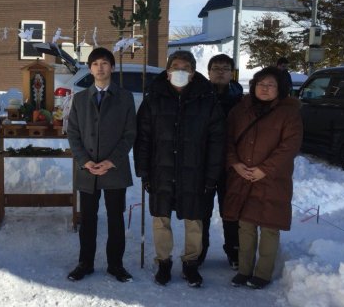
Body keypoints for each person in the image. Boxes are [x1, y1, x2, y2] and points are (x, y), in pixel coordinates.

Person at [134, 50, 226, 287]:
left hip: (195, 170)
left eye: (185, 67)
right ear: (167, 72)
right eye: (175, 66)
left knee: (194, 219)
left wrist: (211, 176)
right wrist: (143, 171)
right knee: (160, 219)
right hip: (160, 169)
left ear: (193, 73)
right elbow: (142, 137)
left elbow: (217, 141)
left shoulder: (206, 99)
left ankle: (191, 263)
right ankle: (163, 262)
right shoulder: (154, 97)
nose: (180, 71)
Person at [223, 66, 303, 289]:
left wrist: (265, 169)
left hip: (272, 180)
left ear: (280, 89)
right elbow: (227, 140)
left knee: (269, 227)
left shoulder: (289, 113)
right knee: (245, 226)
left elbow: (289, 147)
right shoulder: (240, 110)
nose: (265, 89)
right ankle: (244, 270)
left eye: (271, 85)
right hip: (242, 177)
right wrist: (235, 164)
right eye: (261, 84)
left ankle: (263, 273)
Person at [66, 47, 136, 283]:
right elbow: (73, 133)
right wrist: (84, 160)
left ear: (112, 67)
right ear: (89, 69)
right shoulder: (80, 98)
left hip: (114, 169)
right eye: (95, 64)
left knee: (116, 217)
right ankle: (85, 263)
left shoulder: (125, 98)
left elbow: (129, 134)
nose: (100, 68)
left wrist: (110, 161)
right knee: (88, 219)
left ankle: (116, 264)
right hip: (87, 170)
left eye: (105, 63)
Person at [199, 54, 243, 270]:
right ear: (208, 72)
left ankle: (234, 251)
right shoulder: (199, 95)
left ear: (232, 73)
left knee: (231, 210)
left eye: (225, 68)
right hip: (203, 163)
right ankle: (199, 251)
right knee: (202, 210)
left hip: (231, 165)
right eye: (215, 68)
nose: (220, 72)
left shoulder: (241, 100)